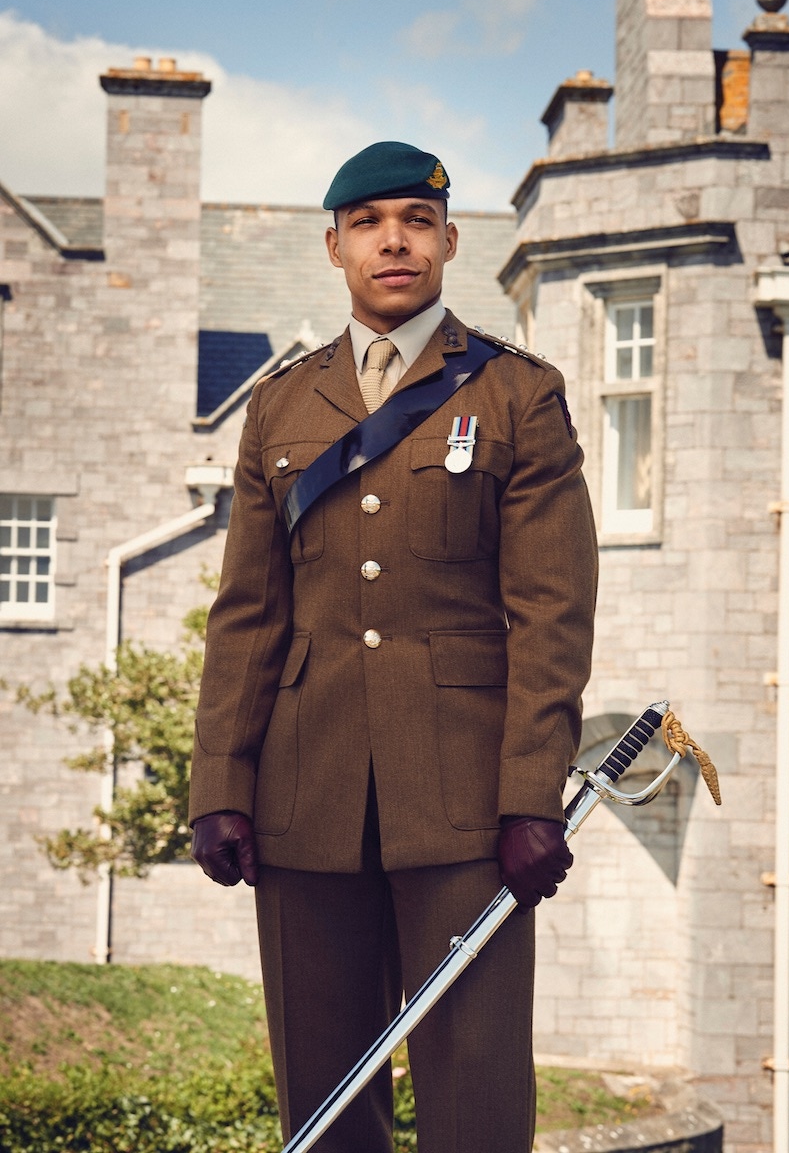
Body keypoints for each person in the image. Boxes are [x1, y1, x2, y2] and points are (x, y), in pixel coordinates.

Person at [189, 141, 597, 1153]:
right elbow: (247, 612)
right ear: (333, 247)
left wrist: (529, 794)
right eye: (367, 223)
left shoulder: (514, 396)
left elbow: (550, 613)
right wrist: (218, 784)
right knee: (325, 1106)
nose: (393, 241)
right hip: (303, 794)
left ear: (449, 240)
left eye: (414, 220)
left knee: (475, 1101)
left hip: (464, 804)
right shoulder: (279, 408)